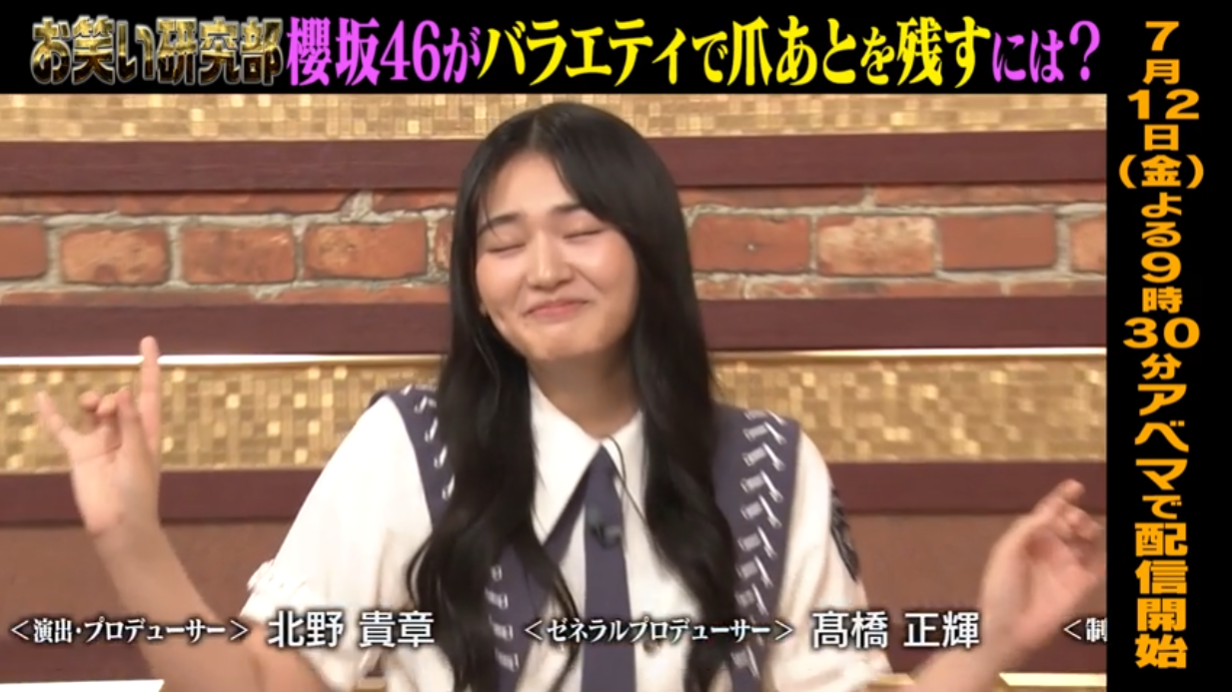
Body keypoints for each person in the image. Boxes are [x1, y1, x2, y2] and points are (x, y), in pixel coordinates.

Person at [36, 102, 1104, 692]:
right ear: (476, 286)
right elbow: (271, 681)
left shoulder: (770, 466)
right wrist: (132, 538)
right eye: (503, 244)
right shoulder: (406, 447)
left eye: (581, 230)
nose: (542, 269)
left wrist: (992, 645)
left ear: (648, 251)